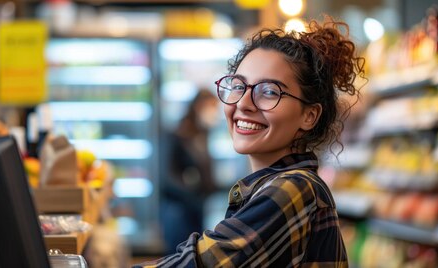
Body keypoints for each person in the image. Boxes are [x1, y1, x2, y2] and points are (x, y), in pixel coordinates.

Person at [137, 16, 364, 268]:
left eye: (268, 92)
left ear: (309, 115)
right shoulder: (272, 186)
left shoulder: (294, 188)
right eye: (238, 86)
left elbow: (202, 264)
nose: (243, 103)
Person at [159, 89, 219, 254]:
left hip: (196, 209)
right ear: (198, 106)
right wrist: (193, 195)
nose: (215, 112)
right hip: (178, 211)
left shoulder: (203, 135)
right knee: (179, 256)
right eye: (212, 107)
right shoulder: (177, 135)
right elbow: (167, 178)